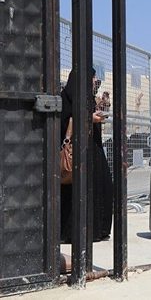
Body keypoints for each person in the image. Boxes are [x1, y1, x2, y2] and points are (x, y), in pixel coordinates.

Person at [59, 68, 113, 243]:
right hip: (76, 153)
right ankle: (74, 233)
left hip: (94, 150)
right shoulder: (67, 97)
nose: (94, 80)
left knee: (101, 186)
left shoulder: (88, 97)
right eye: (91, 76)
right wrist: (90, 118)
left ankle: (97, 230)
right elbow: (65, 121)